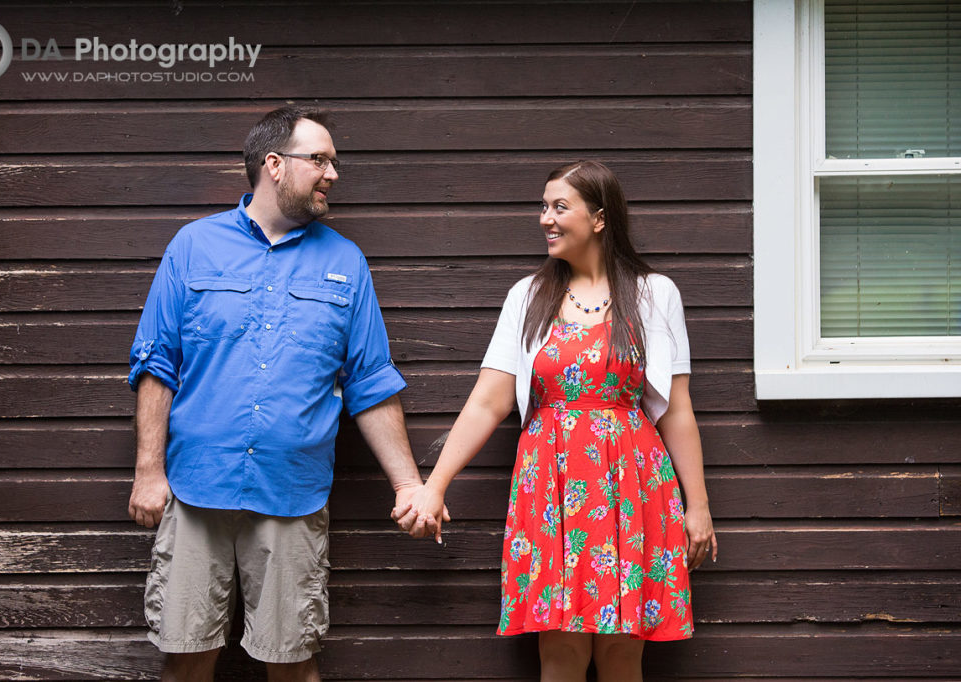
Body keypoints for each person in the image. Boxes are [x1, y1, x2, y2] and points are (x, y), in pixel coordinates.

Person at [126, 106, 440, 682]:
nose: (332, 174)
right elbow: (156, 364)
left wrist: (408, 485)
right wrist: (149, 470)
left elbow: (369, 381)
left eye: (333, 162)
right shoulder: (193, 246)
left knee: (292, 663)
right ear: (273, 164)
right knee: (186, 659)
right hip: (198, 489)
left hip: (293, 496)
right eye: (319, 160)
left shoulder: (345, 261)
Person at [393, 161, 718, 681]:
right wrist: (434, 486)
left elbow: (676, 409)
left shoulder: (656, 294)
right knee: (560, 652)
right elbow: (487, 402)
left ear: (599, 218)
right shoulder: (528, 296)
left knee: (621, 653)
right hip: (551, 487)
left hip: (631, 487)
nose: (545, 218)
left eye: (559, 207)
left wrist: (697, 508)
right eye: (543, 206)